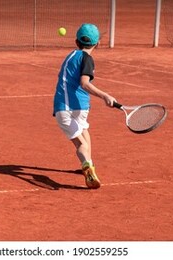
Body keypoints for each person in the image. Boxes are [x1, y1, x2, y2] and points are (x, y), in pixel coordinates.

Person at [53, 23, 117, 189]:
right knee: (83, 141)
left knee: (82, 139)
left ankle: (88, 164)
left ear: (76, 42)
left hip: (64, 108)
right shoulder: (87, 59)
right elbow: (84, 83)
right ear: (98, 44)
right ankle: (87, 164)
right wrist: (105, 95)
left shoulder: (70, 56)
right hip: (79, 107)